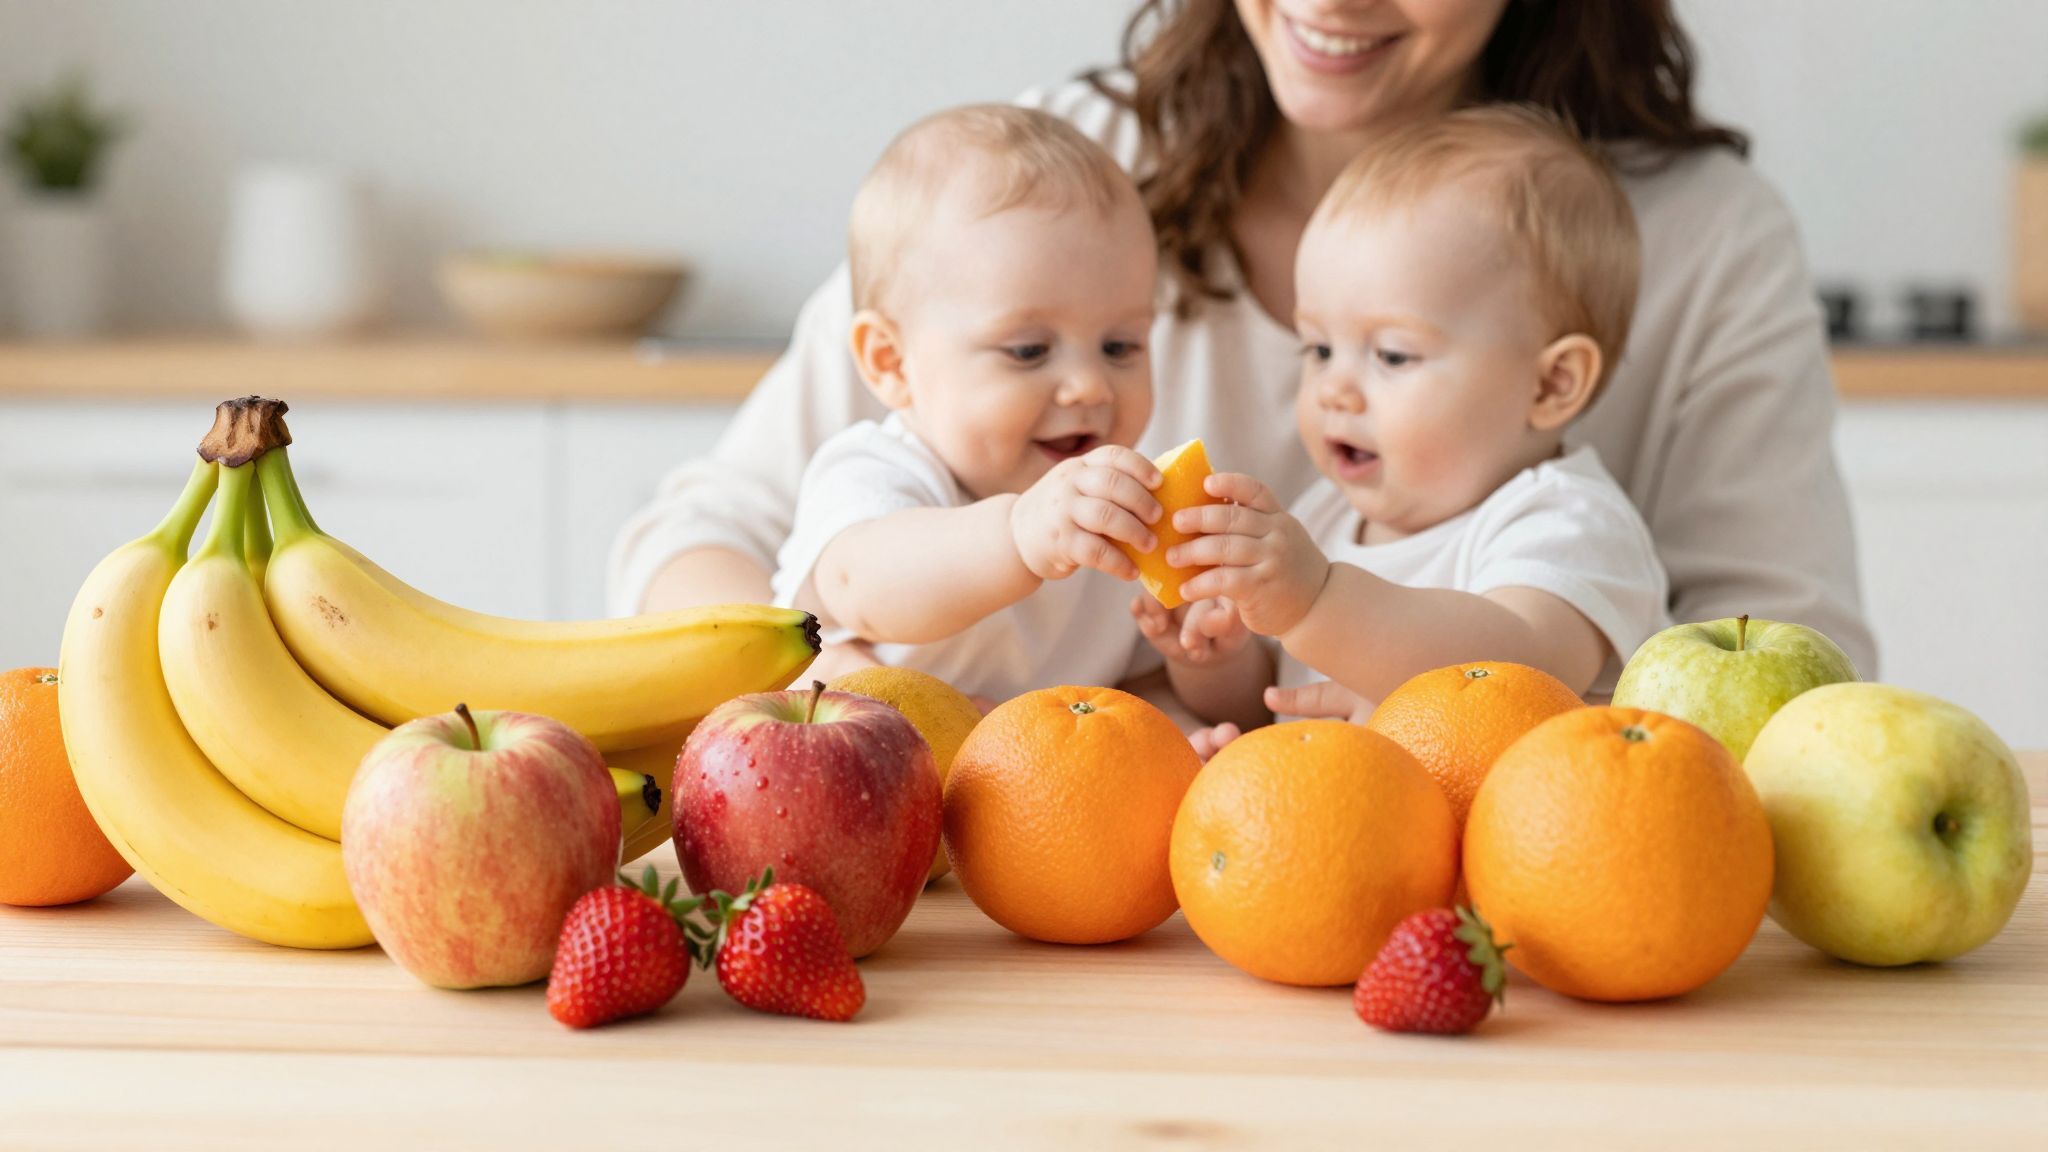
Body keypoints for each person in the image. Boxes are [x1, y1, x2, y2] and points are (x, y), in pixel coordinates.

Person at [609, 0, 1875, 721]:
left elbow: (1785, 685)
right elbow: (719, 527)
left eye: (1120, 338)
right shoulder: (1071, 173)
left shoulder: (1696, 234)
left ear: (1560, 372)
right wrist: (781, 700)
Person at [1136, 106, 1667, 755]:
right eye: (1318, 349)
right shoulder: (1327, 516)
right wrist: (1218, 659)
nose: (1333, 388)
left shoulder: (1566, 522)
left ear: (1551, 385)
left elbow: (1513, 672)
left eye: (1391, 355)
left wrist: (1316, 601)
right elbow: (1273, 705)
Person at [768, 105, 1163, 703]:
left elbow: (1134, 682)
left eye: (1121, 345)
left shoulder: (1102, 510)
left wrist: (1194, 699)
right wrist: (1020, 533)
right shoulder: (873, 475)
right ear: (891, 363)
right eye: (1028, 350)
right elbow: (860, 586)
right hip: (855, 781)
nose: (1089, 385)